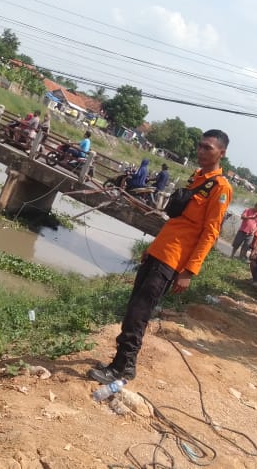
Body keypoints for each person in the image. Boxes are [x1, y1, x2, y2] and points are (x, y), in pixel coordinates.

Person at [89, 130, 234, 384]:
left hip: (173, 260)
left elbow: (210, 233)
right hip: (160, 251)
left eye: (208, 148)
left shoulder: (220, 188)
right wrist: (153, 246)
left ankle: (119, 367)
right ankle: (126, 365)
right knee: (134, 307)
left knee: (139, 312)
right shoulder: (197, 178)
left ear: (221, 153)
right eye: (200, 146)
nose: (201, 151)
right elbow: (178, 222)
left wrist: (189, 271)